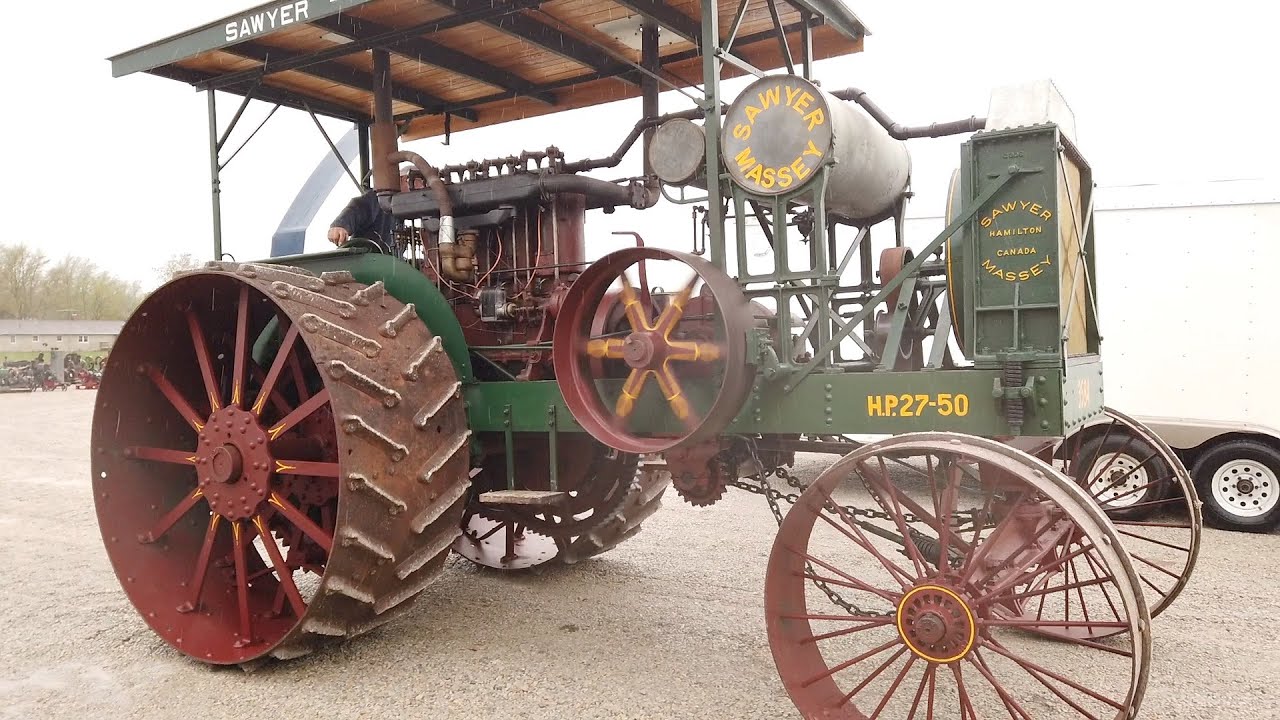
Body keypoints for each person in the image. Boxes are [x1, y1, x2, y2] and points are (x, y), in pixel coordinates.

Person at [327, 166, 423, 251]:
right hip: (364, 261)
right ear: (403, 179)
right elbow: (358, 207)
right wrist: (341, 225)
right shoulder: (379, 200)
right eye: (420, 184)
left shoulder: (400, 216)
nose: (421, 193)